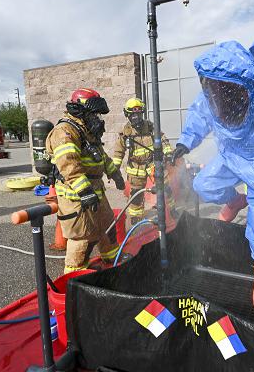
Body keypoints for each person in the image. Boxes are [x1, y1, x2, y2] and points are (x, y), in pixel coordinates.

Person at [171, 41, 254, 311]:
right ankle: (235, 201)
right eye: (216, 90)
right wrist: (186, 142)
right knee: (204, 184)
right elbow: (199, 114)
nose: (223, 97)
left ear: (248, 87)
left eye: (229, 91)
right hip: (231, 156)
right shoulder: (215, 92)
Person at [46, 88, 125, 273]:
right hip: (75, 194)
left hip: (95, 190)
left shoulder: (86, 130)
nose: (96, 118)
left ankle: (111, 258)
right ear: (81, 111)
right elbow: (68, 164)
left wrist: (115, 174)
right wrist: (84, 191)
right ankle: (75, 276)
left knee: (107, 225)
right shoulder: (64, 131)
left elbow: (101, 157)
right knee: (81, 235)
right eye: (93, 113)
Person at [112, 98, 174, 225]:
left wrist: (168, 153)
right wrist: (114, 170)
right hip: (135, 168)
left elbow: (162, 139)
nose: (136, 117)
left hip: (153, 164)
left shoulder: (150, 127)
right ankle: (136, 218)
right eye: (133, 114)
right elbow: (118, 153)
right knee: (136, 195)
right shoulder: (125, 134)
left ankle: (171, 209)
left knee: (165, 188)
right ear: (127, 115)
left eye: (138, 114)